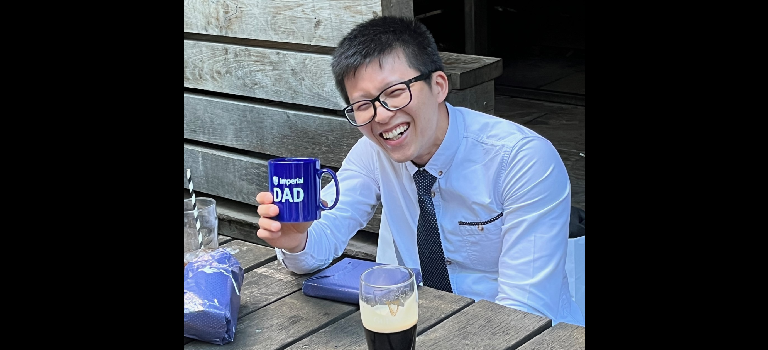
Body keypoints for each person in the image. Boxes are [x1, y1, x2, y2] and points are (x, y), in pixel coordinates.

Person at [255, 15, 584, 326]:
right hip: (422, 325)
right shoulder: (372, 153)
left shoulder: (521, 160)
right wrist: (296, 240)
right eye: (363, 105)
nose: (381, 116)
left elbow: (522, 315)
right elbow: (321, 243)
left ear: (438, 86)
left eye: (395, 93)